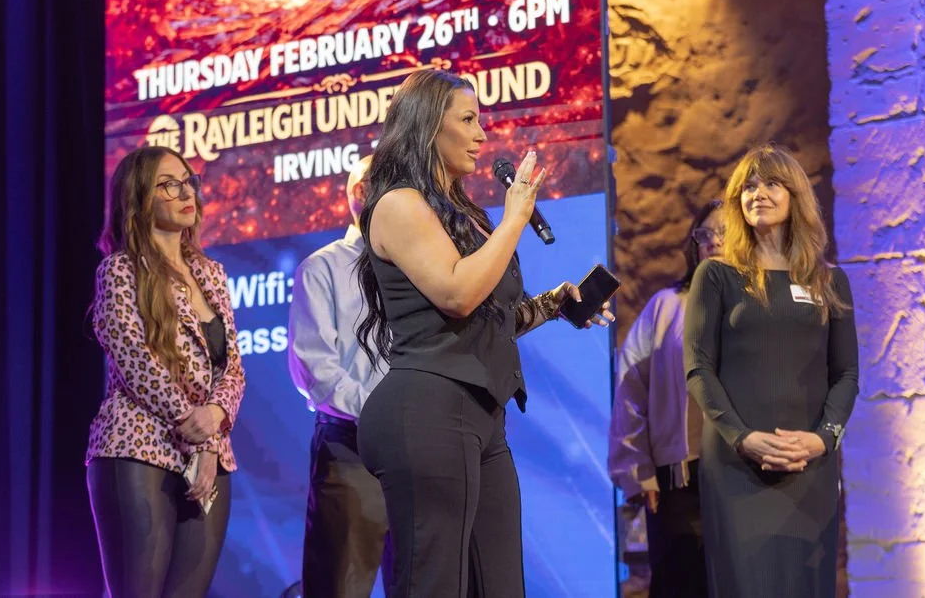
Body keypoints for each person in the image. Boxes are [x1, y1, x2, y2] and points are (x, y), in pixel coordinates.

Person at [353, 69, 614, 598]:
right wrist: (515, 218)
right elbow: (457, 294)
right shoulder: (398, 204)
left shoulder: (460, 213)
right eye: (468, 120)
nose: (481, 134)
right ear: (429, 126)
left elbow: (489, 316)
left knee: (500, 586)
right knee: (434, 585)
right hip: (427, 410)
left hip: (481, 413)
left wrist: (554, 305)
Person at [683, 144, 859, 598]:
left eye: (772, 184)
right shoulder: (716, 276)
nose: (758, 193)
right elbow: (698, 369)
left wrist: (823, 439)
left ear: (795, 196)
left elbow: (846, 374)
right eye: (748, 186)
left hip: (810, 465)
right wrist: (742, 437)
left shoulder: (829, 281)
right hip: (736, 466)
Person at [86, 146, 246, 598]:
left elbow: (233, 367)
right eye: (168, 185)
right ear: (139, 199)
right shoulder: (119, 271)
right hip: (136, 445)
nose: (186, 192)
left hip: (209, 456)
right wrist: (193, 423)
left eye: (188, 181)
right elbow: (134, 359)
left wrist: (211, 427)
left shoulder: (212, 274)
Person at [288, 154, 392, 597]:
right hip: (351, 449)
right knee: (342, 587)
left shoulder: (418, 269)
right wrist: (388, 415)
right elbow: (316, 372)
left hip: (417, 454)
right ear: (360, 192)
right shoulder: (322, 268)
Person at [608, 199, 723, 598]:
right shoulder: (666, 306)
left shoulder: (761, 306)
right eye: (705, 234)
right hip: (680, 480)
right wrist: (636, 469)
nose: (714, 241)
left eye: (726, 233)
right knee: (681, 582)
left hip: (748, 477)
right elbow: (630, 390)